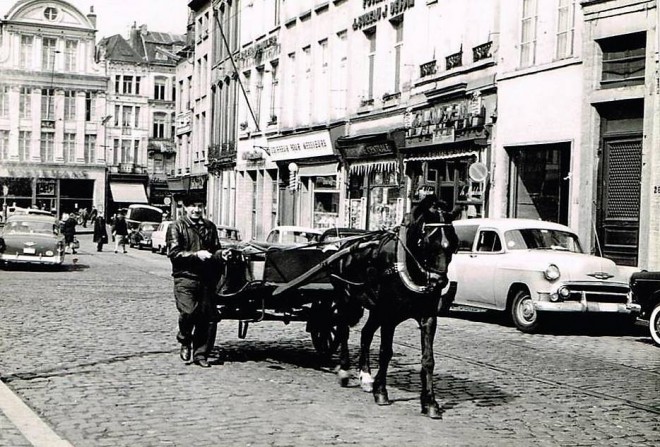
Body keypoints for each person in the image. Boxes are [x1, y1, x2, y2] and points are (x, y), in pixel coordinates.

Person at [167, 194, 223, 368]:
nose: (197, 210)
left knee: (207, 318)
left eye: (200, 206)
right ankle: (185, 339)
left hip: (206, 279)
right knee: (188, 312)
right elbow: (174, 253)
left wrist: (222, 255)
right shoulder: (177, 226)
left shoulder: (209, 227)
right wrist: (196, 255)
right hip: (185, 278)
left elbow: (216, 250)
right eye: (193, 206)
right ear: (185, 207)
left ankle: (201, 355)